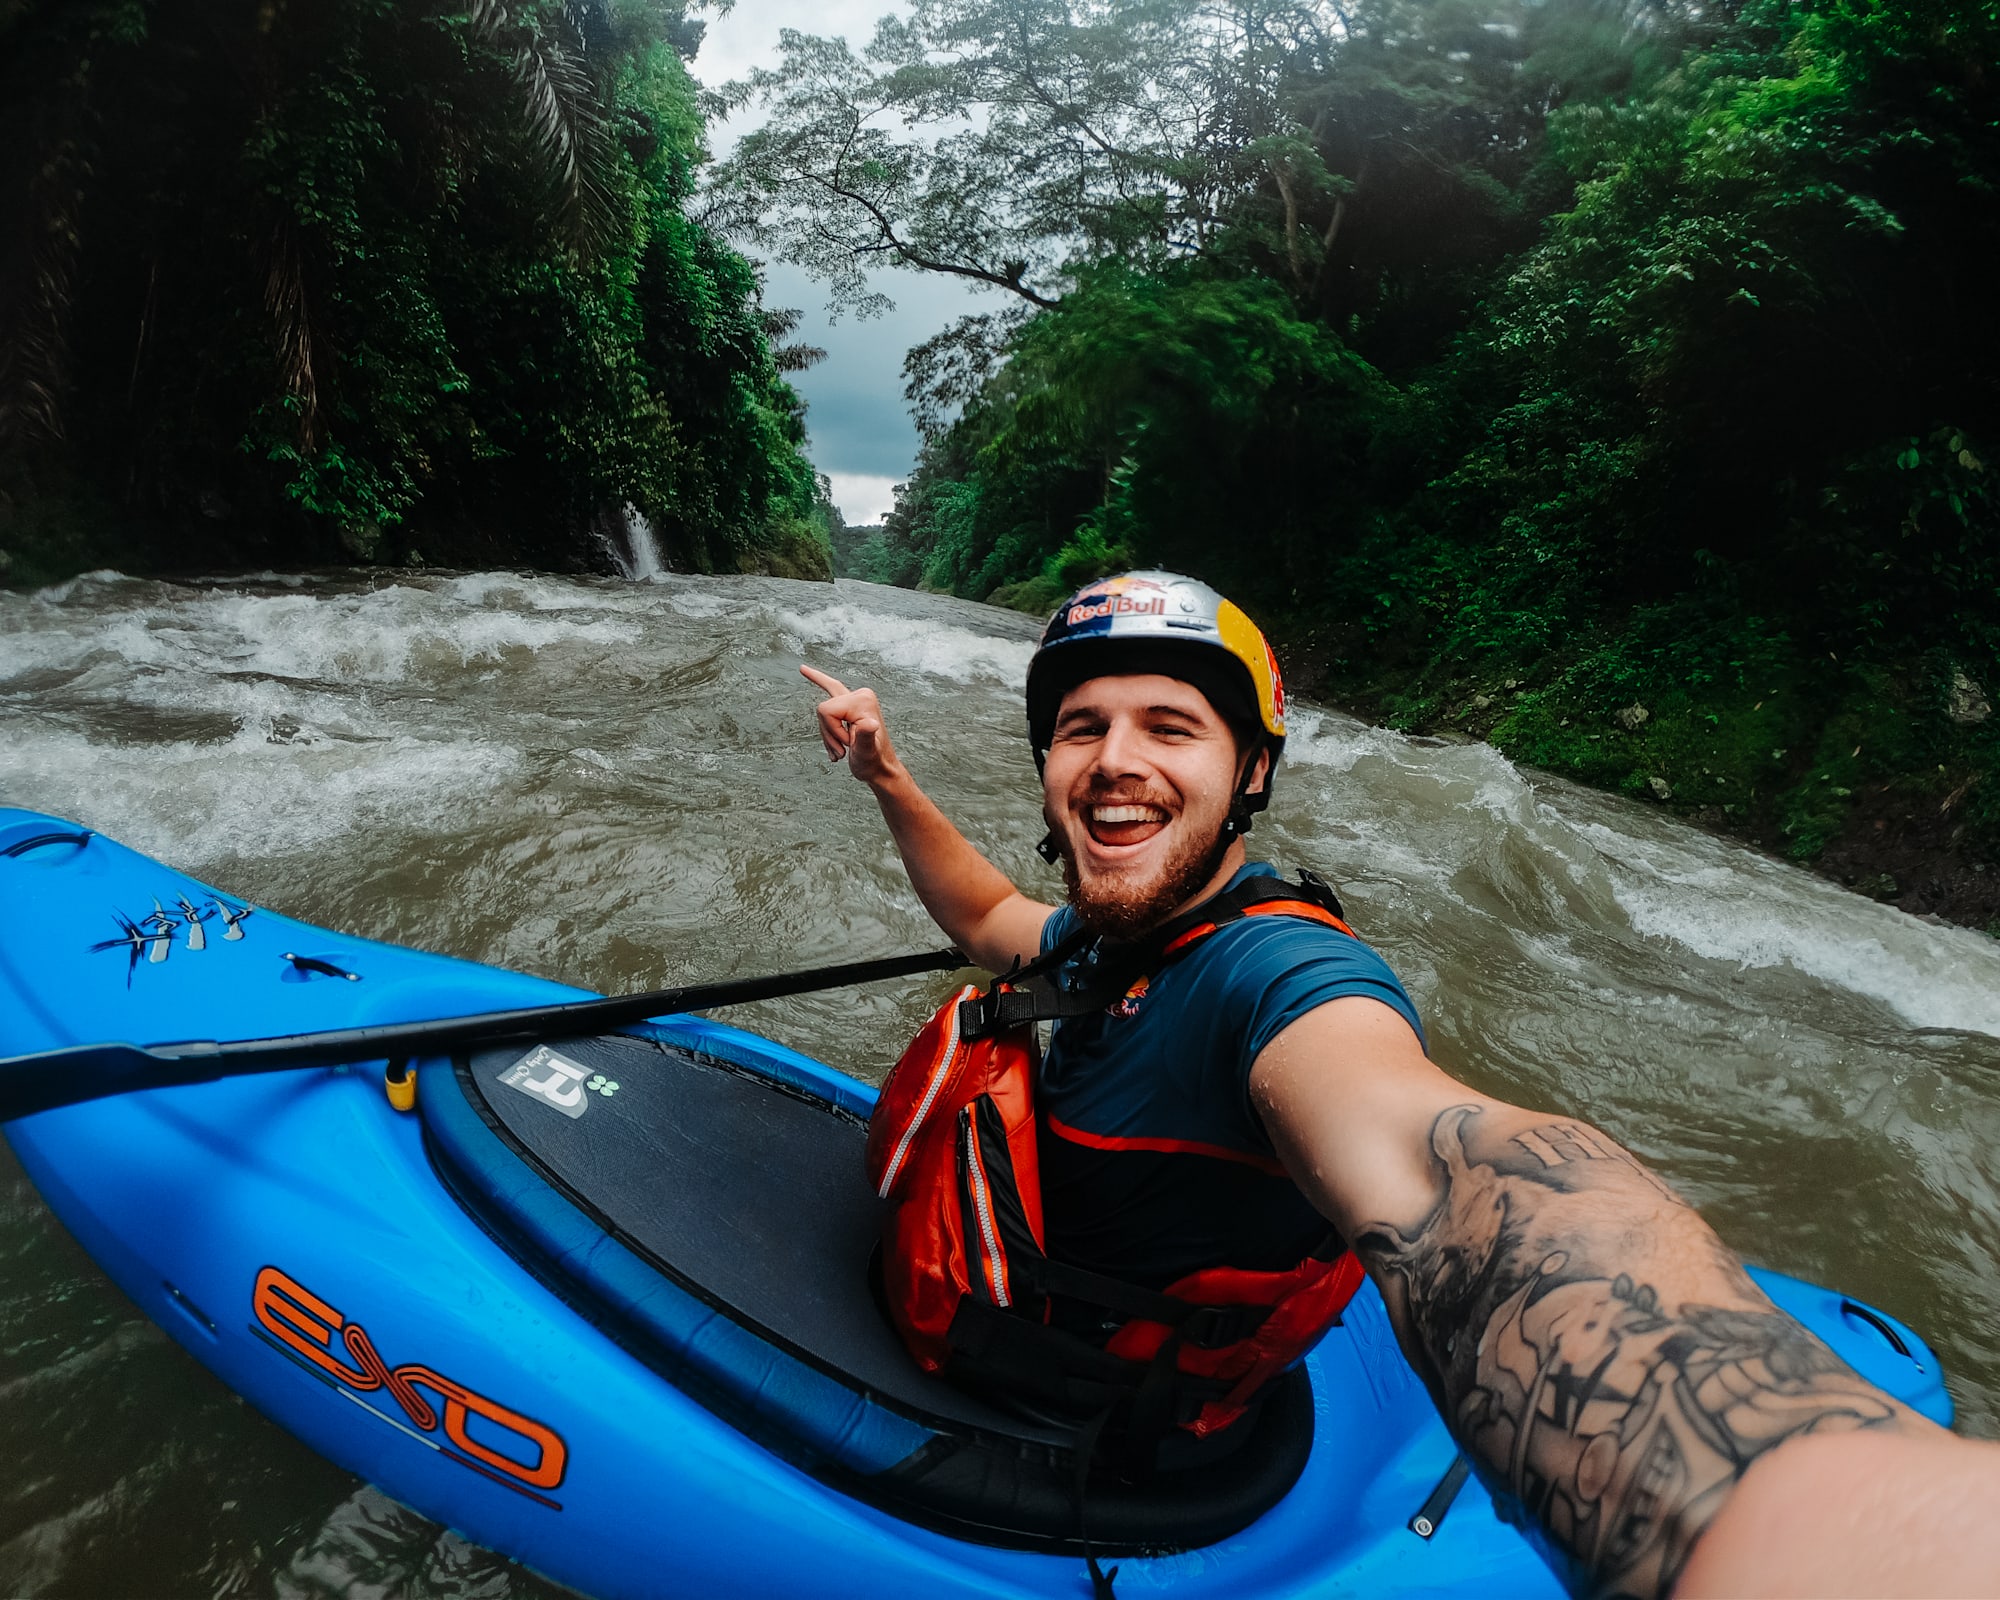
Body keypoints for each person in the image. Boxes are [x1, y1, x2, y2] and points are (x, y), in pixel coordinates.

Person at [804, 570, 2000, 1599]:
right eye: (1082, 726)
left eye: (1171, 727)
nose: (1115, 760)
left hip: (1094, 1432)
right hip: (1034, 1326)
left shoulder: (1274, 973)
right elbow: (990, 916)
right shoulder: (1114, 930)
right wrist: (887, 777)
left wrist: (1778, 1495)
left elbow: (1442, 1166)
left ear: (1250, 770)